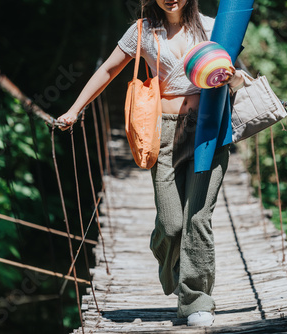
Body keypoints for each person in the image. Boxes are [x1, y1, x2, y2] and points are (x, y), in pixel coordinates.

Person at [58, 0, 245, 327]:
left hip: (208, 130)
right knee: (173, 224)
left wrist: (235, 79)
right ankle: (166, 250)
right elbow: (108, 69)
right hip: (165, 132)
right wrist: (76, 109)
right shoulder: (143, 31)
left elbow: (234, 72)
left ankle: (196, 301)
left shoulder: (213, 26)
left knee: (197, 218)